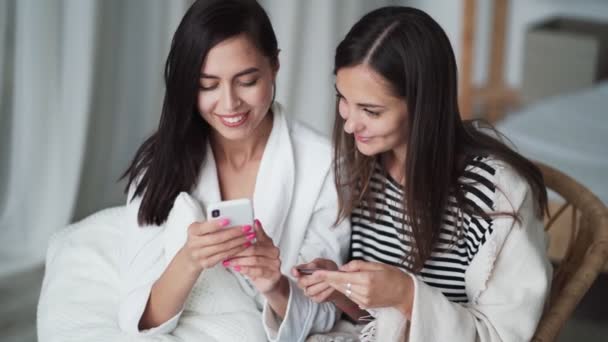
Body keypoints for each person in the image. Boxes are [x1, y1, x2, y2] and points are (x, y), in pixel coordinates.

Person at [294, 6, 552, 342]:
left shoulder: (493, 194)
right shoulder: (359, 170)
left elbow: (501, 335)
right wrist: (339, 288)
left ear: (423, 104)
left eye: (371, 110)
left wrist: (407, 294)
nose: (349, 123)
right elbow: (372, 322)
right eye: (343, 99)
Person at [117, 0, 350, 341]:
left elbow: (327, 309)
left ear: (275, 66)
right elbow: (139, 317)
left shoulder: (326, 166)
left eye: (247, 81)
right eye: (208, 85)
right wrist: (189, 260)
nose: (229, 104)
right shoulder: (160, 163)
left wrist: (275, 286)